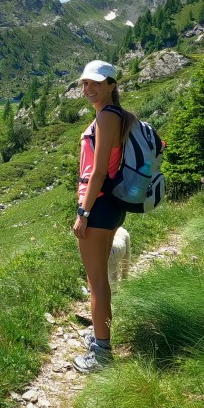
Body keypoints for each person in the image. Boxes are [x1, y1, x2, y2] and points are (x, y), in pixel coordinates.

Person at [71, 59, 137, 373]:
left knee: (97, 282)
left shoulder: (108, 117)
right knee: (99, 280)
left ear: (112, 84)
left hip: (98, 205)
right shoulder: (115, 115)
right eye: (85, 83)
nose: (88, 88)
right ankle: (100, 338)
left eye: (96, 83)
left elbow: (98, 171)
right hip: (109, 204)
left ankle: (102, 355)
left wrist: (83, 211)